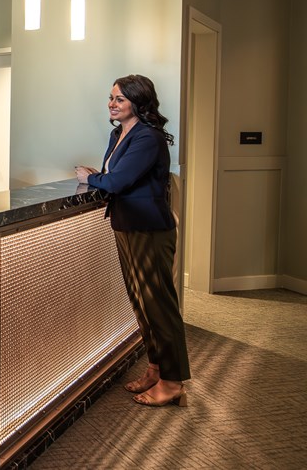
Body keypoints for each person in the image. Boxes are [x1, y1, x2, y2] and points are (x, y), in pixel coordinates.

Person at [75, 75, 190, 407]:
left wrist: (91, 177)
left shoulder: (148, 137)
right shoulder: (119, 133)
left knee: (160, 306)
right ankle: (155, 368)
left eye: (120, 99)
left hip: (149, 230)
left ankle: (172, 382)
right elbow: (119, 174)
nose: (112, 104)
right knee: (141, 302)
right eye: (111, 98)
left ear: (138, 103)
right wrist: (102, 176)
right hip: (127, 226)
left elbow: (120, 180)